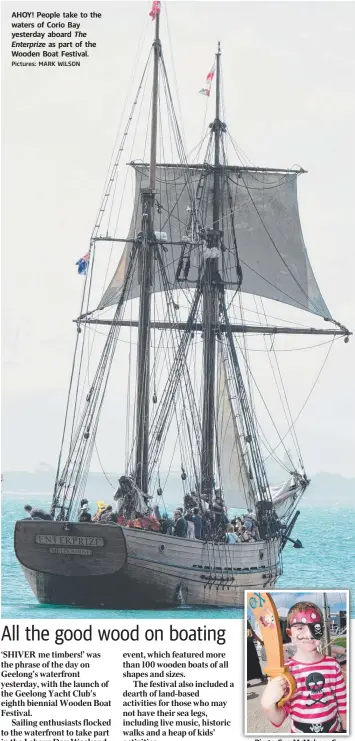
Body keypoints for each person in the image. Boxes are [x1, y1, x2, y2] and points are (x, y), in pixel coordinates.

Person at [261, 601, 347, 734]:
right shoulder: (287, 672)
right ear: (289, 633)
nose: (308, 634)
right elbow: (278, 719)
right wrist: (267, 704)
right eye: (300, 628)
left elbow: (343, 704)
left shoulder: (333, 665)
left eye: (315, 627)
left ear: (322, 630)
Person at [247, 620, 267, 687]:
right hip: (249, 644)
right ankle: (260, 677)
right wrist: (261, 641)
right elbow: (253, 634)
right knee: (254, 661)